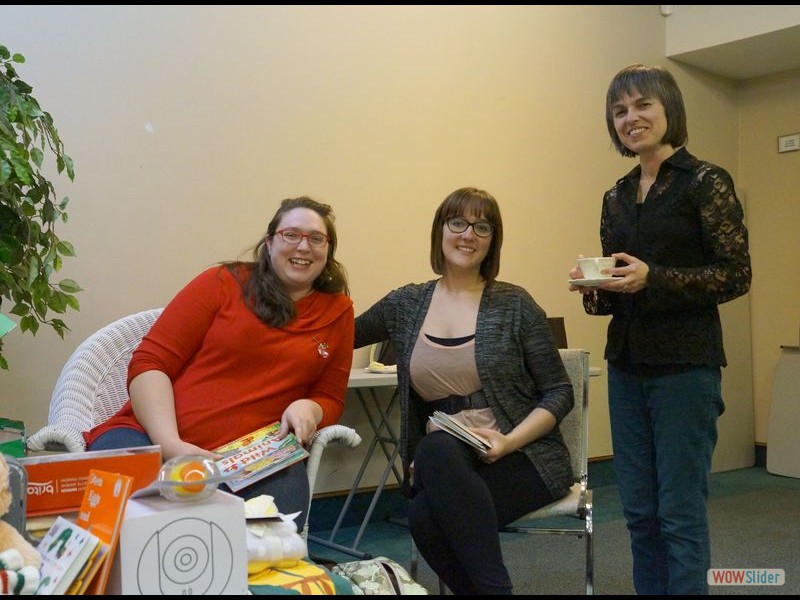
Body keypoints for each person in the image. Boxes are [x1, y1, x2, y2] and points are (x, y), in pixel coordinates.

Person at [569, 64, 751, 595]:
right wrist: (594, 286)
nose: (631, 118)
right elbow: (615, 297)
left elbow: (736, 274)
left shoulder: (705, 181)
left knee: (679, 514)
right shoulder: (616, 195)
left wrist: (655, 278)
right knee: (640, 514)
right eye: (620, 111)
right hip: (626, 366)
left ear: (669, 108)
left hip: (685, 368)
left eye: (642, 105)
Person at [83, 196, 354, 530]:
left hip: (254, 458)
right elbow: (149, 363)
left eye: (316, 238)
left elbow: (331, 397)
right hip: (152, 435)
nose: (304, 246)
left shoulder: (339, 312)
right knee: (121, 512)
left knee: (275, 534)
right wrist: (170, 443)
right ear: (269, 242)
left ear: (328, 251)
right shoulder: (223, 282)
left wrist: (310, 409)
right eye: (291, 235)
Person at [355, 187, 574, 595]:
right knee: (430, 479)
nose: (467, 234)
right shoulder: (407, 303)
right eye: (457, 223)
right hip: (449, 461)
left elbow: (560, 392)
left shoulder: (515, 303)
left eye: (482, 226)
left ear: (492, 241)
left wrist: (508, 442)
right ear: (440, 231)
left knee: (428, 502)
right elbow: (336, 334)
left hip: (524, 458)